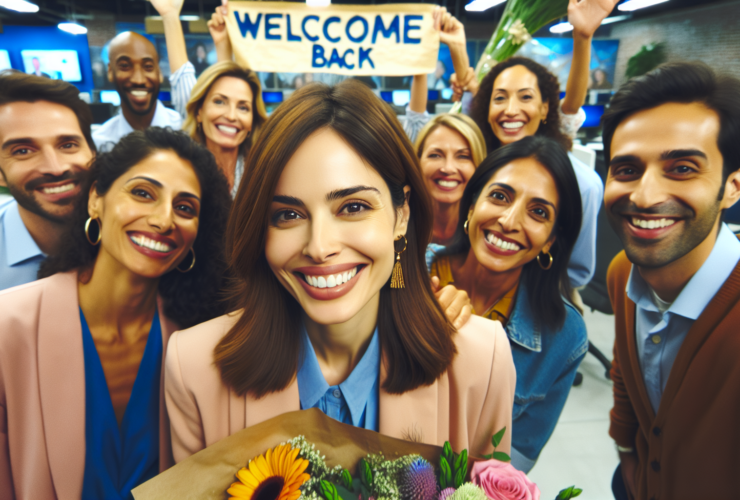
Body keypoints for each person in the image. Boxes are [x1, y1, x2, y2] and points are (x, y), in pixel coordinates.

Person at [164, 80, 516, 463]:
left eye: (352, 207)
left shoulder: (482, 360)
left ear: (401, 215)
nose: (318, 246)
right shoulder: (194, 367)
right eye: (288, 215)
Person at [0, 127, 231, 500]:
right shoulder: (8, 327)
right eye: (143, 193)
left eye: (185, 207)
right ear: (96, 199)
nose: (163, 219)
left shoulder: (196, 342)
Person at [602, 62, 740, 500]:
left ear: (732, 187)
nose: (644, 196)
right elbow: (626, 366)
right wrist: (626, 448)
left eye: (682, 168)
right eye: (626, 170)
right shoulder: (622, 272)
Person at [427, 136, 587, 473]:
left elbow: (513, 463)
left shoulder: (564, 336)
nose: (510, 221)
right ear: (471, 205)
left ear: (551, 241)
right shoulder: (403, 273)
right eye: (500, 196)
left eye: (538, 212)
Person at [458, 0, 618, 290]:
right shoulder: (480, 159)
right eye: (500, 98)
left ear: (546, 109)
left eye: (526, 97)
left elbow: (576, 273)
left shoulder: (581, 184)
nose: (510, 109)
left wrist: (582, 38)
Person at [151, 0, 268, 196]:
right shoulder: (181, 168)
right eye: (219, 102)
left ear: (251, 123)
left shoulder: (261, 173)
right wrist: (170, 16)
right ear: (198, 112)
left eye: (243, 107)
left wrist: (223, 44)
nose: (231, 116)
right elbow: (182, 77)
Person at [0, 71, 95, 291]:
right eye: (23, 150)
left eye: (68, 145)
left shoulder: (131, 233)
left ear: (93, 152)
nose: (56, 168)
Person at [92, 32, 182, 152]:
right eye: (125, 66)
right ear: (110, 71)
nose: (138, 80)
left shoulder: (185, 130)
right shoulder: (100, 144)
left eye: (148, 66)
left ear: (159, 72)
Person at [414, 113, 487, 245]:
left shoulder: (488, 228)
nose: (448, 168)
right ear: (418, 162)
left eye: (463, 156)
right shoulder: (397, 223)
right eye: (435, 155)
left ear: (478, 165)